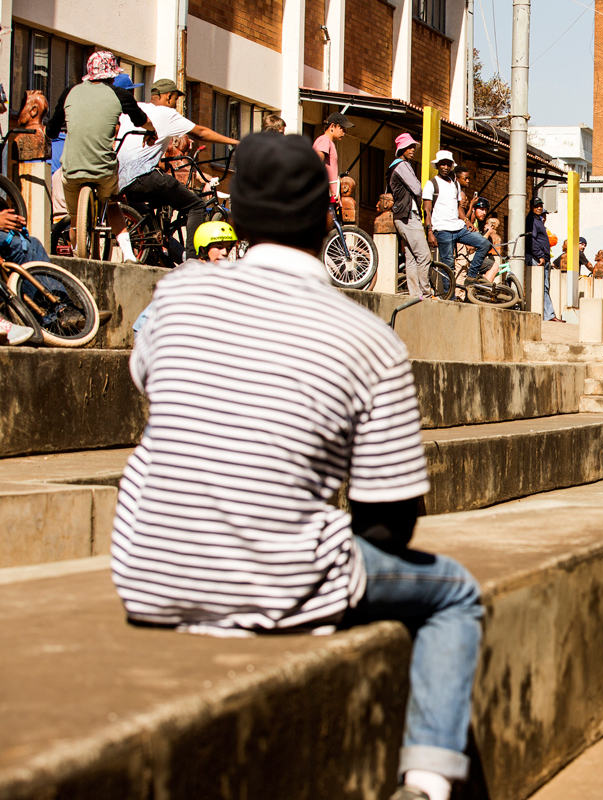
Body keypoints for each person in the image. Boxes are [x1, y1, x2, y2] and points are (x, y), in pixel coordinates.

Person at [111, 133, 482, 800]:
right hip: (279, 582)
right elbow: (390, 516)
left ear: (240, 221)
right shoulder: (369, 338)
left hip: (145, 573)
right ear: (324, 221)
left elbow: (149, 384)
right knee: (454, 592)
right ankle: (427, 785)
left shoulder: (178, 296)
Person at [46, 51, 157, 261]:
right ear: (112, 75)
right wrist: (152, 131)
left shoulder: (70, 92)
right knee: (112, 202)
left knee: (74, 217)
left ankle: (76, 250)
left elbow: (51, 130)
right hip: (103, 169)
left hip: (71, 168)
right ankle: (129, 255)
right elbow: (141, 119)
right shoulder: (120, 94)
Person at [117, 77, 239, 261]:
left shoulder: (136, 109)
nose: (175, 105)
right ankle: (192, 258)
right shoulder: (166, 113)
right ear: (167, 97)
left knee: (148, 212)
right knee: (195, 205)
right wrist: (236, 142)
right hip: (144, 175)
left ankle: (153, 254)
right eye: (175, 100)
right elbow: (201, 133)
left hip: (121, 179)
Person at [423, 151, 490, 286]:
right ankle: (450, 297)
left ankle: (471, 276)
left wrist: (466, 220)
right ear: (438, 165)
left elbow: (458, 207)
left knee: (484, 244)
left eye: (448, 164)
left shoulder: (455, 184)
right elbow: (427, 210)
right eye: (442, 164)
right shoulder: (431, 184)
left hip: (458, 227)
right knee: (448, 265)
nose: (445, 167)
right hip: (442, 230)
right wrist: (429, 231)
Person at [387, 133, 434, 299]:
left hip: (402, 215)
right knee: (424, 255)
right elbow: (416, 188)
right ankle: (426, 293)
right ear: (401, 149)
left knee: (412, 257)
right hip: (408, 215)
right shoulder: (402, 166)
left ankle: (415, 294)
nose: (413, 149)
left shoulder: (395, 166)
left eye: (413, 147)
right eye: (409, 147)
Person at [526, 197, 556, 321]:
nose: (539, 208)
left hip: (543, 258)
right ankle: (549, 315)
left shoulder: (538, 220)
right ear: (531, 207)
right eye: (536, 206)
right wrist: (539, 255)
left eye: (540, 206)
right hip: (537, 258)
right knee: (542, 286)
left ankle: (547, 315)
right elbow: (531, 239)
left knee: (545, 286)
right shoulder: (531, 220)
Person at [313, 112, 353, 201]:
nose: (345, 132)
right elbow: (316, 165)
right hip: (324, 198)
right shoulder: (324, 140)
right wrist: (329, 191)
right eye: (342, 128)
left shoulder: (330, 143)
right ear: (332, 126)